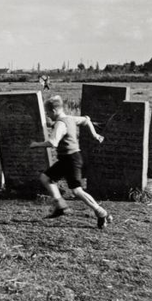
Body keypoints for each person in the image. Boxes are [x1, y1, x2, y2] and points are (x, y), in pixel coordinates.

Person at [30, 95, 112, 229]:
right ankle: (61, 205)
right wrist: (95, 135)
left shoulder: (61, 124)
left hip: (71, 159)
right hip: (67, 158)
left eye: (48, 113)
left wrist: (36, 144)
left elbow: (53, 142)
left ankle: (100, 212)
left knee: (77, 191)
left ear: (54, 111)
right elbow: (87, 120)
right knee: (46, 178)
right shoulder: (71, 119)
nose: (48, 116)